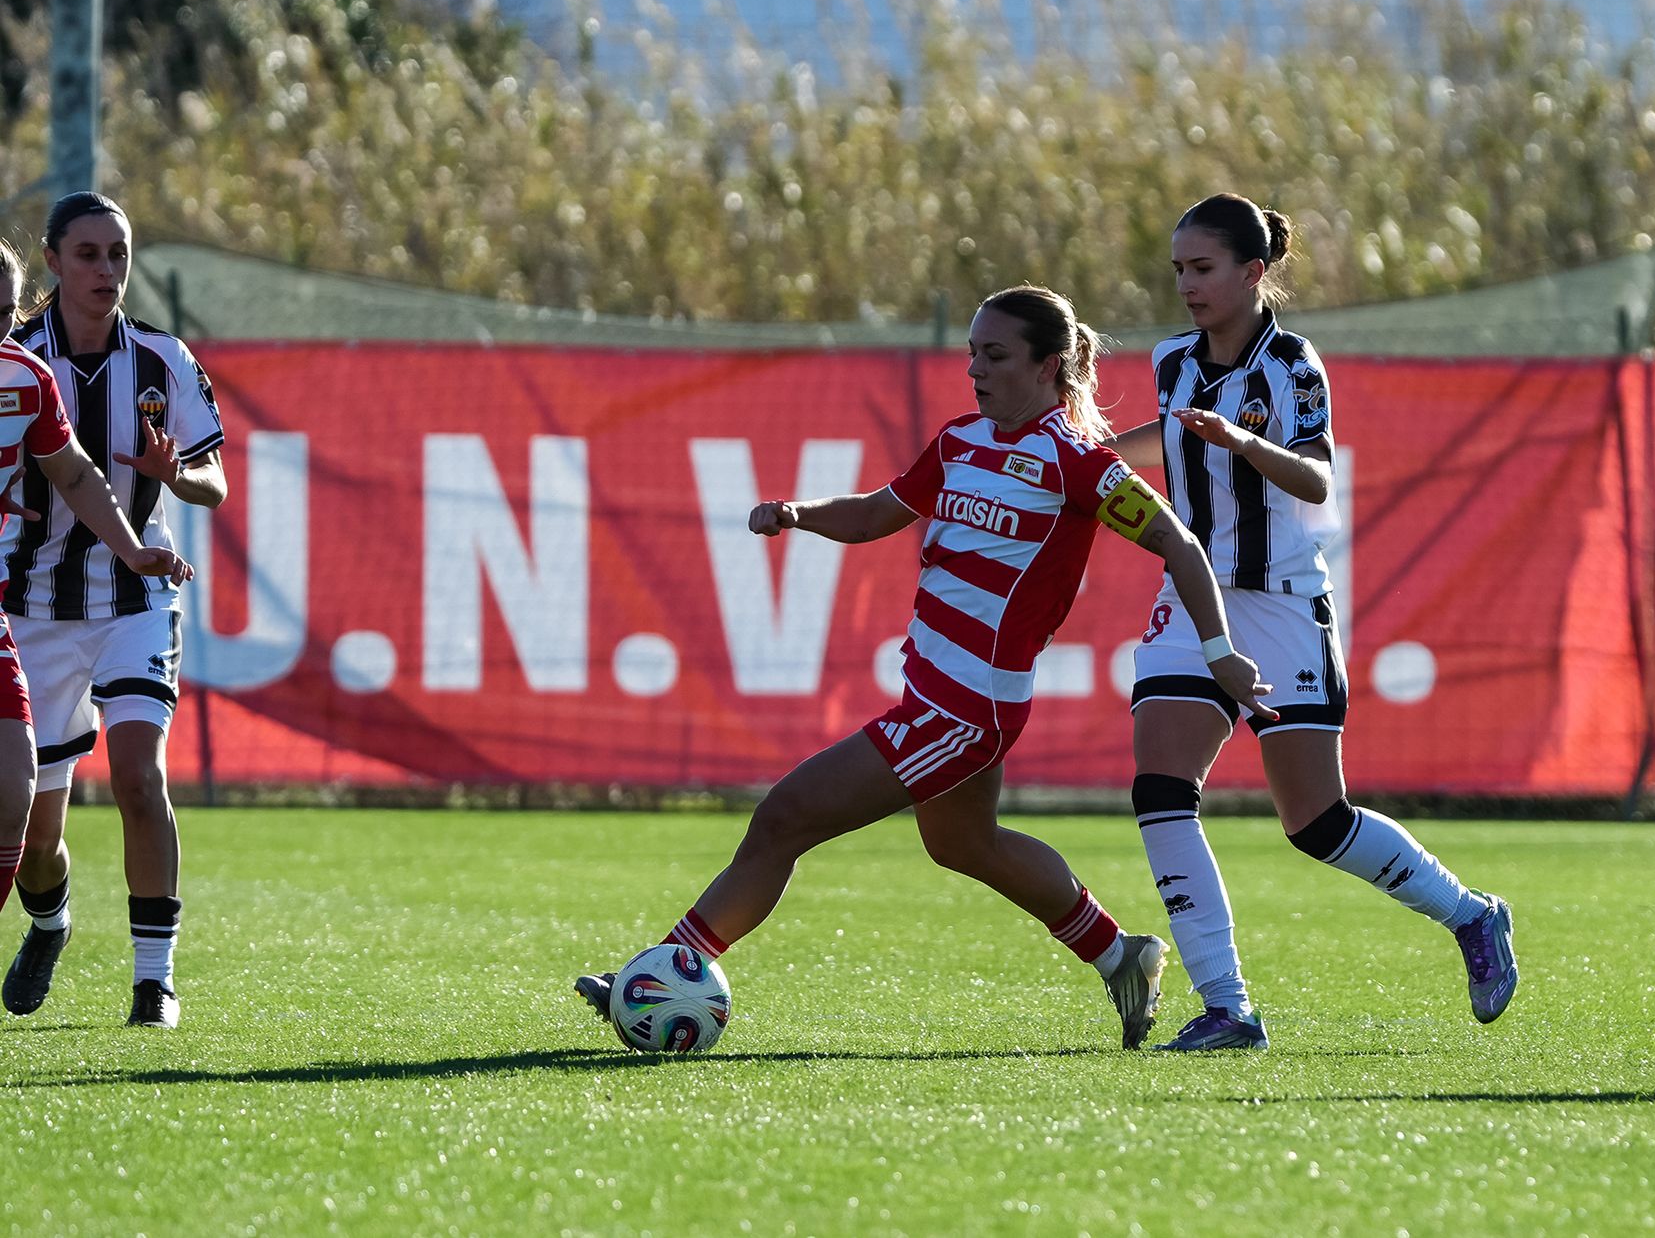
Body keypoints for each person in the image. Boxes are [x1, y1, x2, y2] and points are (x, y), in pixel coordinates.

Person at [576, 284, 1277, 1050]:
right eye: (972, 351)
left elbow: (1180, 543)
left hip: (965, 709)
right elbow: (880, 511)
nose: (975, 367)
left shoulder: (1078, 466)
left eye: (995, 354)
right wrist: (799, 514)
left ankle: (664, 975)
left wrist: (1220, 652)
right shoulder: (959, 441)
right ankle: (1122, 955)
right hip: (935, 693)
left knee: (784, 816)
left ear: (1049, 367)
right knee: (963, 844)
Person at [1113, 194, 1517, 1051]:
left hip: (1285, 602)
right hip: (1193, 594)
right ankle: (1228, 1005)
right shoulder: (1172, 359)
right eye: (1179, 269)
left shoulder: (1292, 366)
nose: (1186, 284)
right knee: (1159, 789)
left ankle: (1473, 916)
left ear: (1253, 272)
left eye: (1203, 268)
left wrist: (1244, 442)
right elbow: (1174, 436)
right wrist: (1098, 452)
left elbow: (1317, 479)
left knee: (1315, 822)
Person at [1, 194, 227, 1030]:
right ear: (53, 262)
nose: (107, 271)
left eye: (119, 254)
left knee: (139, 774)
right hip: (31, 607)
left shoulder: (163, 359)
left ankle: (154, 981)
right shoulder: (18, 360)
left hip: (135, 595)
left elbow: (214, 480)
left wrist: (178, 478)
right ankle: (51, 922)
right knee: (28, 832)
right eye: (88, 254)